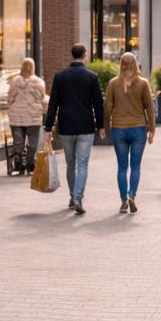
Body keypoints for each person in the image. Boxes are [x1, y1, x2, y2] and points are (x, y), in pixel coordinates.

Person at [44, 44, 106, 215]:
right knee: (83, 163)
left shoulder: (60, 76)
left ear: (72, 55)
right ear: (85, 55)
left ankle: (73, 196)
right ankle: (78, 196)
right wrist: (101, 125)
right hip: (85, 126)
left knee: (70, 163)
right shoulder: (92, 77)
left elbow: (53, 103)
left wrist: (48, 127)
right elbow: (98, 104)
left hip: (65, 126)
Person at [104, 51, 155, 214]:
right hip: (138, 128)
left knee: (121, 167)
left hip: (119, 128)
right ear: (135, 64)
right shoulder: (143, 83)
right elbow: (150, 108)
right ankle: (132, 195)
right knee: (135, 166)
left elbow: (107, 107)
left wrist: (105, 127)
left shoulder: (113, 83)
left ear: (121, 65)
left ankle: (123, 200)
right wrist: (152, 129)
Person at [6, 58, 46, 175]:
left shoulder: (14, 82)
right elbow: (42, 97)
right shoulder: (39, 82)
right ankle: (30, 163)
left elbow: (10, 98)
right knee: (33, 142)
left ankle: (19, 161)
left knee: (18, 140)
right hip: (34, 117)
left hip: (16, 117)